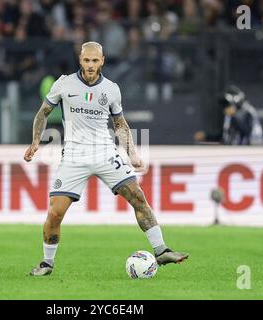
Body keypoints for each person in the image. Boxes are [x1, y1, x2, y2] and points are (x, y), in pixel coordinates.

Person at [24, 41, 189, 276]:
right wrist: (35, 142)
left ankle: (161, 250)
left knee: (137, 196)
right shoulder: (64, 83)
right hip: (74, 155)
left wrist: (132, 154)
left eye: (95, 60)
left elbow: (120, 124)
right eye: (86, 60)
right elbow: (43, 113)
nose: (90, 65)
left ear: (102, 61)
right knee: (55, 212)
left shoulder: (111, 89)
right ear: (80, 60)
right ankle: (47, 263)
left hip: (105, 152)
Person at [195, 85, 263, 145]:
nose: (225, 107)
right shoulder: (230, 115)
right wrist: (206, 137)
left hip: (251, 151)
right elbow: (223, 136)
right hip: (234, 151)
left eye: (228, 104)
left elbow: (247, 132)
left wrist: (234, 116)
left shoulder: (248, 112)